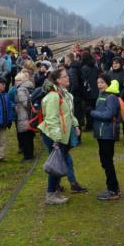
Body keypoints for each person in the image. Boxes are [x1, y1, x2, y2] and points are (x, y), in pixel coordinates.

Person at [39, 68, 87, 205]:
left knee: (63, 161)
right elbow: (52, 119)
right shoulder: (53, 96)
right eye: (65, 77)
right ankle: (50, 194)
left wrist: (76, 125)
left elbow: (68, 114)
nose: (68, 78)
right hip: (54, 136)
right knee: (56, 163)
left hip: (60, 134)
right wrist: (56, 139)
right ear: (58, 80)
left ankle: (55, 192)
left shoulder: (63, 94)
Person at [90, 74, 122, 200]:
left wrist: (91, 112)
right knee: (105, 161)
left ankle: (112, 190)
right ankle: (114, 187)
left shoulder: (111, 97)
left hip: (107, 134)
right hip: (102, 133)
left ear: (108, 83)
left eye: (102, 82)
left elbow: (108, 115)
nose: (100, 85)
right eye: (98, 82)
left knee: (107, 162)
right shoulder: (102, 96)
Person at [14, 72, 37, 162]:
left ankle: (28, 156)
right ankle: (30, 154)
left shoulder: (20, 89)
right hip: (30, 115)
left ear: (21, 81)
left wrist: (17, 107)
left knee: (25, 137)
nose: (15, 82)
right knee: (30, 136)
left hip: (24, 116)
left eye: (16, 80)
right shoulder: (30, 86)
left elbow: (25, 103)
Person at [66, 53, 87, 131]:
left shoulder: (72, 69)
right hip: (79, 95)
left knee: (76, 115)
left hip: (75, 96)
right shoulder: (77, 67)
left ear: (68, 60)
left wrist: (70, 94)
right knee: (78, 115)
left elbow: (74, 84)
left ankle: (78, 137)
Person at [81, 51, 100, 130]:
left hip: (88, 92)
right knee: (94, 108)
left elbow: (84, 80)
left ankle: (89, 126)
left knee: (88, 109)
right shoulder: (95, 67)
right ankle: (94, 124)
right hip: (95, 90)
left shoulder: (84, 68)